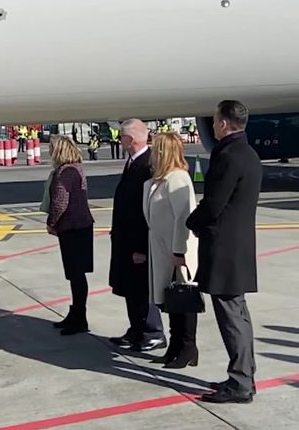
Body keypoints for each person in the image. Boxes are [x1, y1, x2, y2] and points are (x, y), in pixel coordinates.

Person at [186, 100, 262, 404]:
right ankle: (243, 375)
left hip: (225, 249)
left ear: (223, 124)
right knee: (238, 315)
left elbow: (214, 204)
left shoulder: (228, 156)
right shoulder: (249, 153)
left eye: (216, 121)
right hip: (238, 247)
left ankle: (241, 382)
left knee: (231, 317)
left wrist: (193, 222)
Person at [109, 119, 166, 352]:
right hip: (125, 238)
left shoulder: (148, 165)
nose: (119, 141)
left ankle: (153, 331)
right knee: (130, 288)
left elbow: (148, 210)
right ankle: (137, 329)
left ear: (130, 140)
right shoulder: (133, 162)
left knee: (143, 289)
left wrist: (142, 247)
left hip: (138, 242)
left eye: (121, 137)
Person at [144, 132, 200, 368]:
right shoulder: (159, 179)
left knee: (183, 298)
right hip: (162, 248)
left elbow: (183, 217)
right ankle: (175, 346)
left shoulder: (177, 178)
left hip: (176, 250)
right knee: (170, 300)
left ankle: (187, 346)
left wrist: (179, 251)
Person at [46, 135, 95, 336]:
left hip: (72, 227)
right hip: (82, 226)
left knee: (75, 275)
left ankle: (79, 318)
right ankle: (76, 314)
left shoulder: (65, 173)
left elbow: (60, 202)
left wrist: (51, 222)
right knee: (78, 275)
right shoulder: (77, 168)